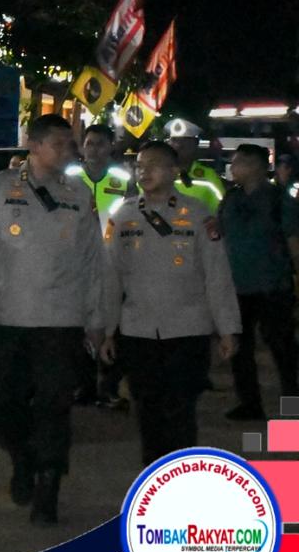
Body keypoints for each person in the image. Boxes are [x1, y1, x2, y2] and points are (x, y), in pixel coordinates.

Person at [0, 114, 104, 526]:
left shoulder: (79, 194)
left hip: (62, 318)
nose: (68, 150)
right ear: (34, 146)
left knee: (55, 405)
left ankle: (49, 484)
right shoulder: (0, 188)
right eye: (59, 143)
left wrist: (96, 318)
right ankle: (23, 457)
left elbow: (94, 262)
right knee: (2, 399)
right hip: (10, 314)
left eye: (69, 143)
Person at [100, 141, 240, 464]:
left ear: (174, 171)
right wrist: (106, 329)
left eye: (153, 165)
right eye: (139, 165)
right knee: (147, 409)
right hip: (138, 331)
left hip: (187, 330)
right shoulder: (123, 215)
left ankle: (179, 474)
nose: (144, 171)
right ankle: (154, 475)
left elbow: (217, 276)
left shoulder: (198, 214)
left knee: (181, 410)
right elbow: (110, 278)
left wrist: (228, 329)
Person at [219, 143, 299, 419]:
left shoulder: (278, 199)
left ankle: (292, 406)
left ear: (256, 166)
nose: (233, 167)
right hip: (237, 287)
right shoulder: (231, 198)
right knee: (239, 349)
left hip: (272, 286)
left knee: (283, 349)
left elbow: (293, 239)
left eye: (238, 161)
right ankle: (250, 403)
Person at [64, 124, 134, 410]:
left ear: (111, 147)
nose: (94, 149)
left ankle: (109, 385)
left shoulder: (124, 179)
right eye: (90, 143)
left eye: (100, 144)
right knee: (79, 323)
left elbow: (133, 215)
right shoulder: (69, 177)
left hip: (115, 261)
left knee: (115, 325)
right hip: (79, 261)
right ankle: (84, 386)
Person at [165, 119, 225, 213]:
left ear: (196, 144)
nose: (178, 145)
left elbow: (222, 211)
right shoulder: (157, 173)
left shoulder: (208, 177)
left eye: (185, 141)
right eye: (174, 140)